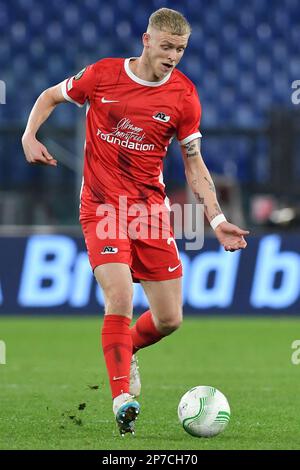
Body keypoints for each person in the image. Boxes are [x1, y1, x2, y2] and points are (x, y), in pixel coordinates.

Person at [22, 8, 249, 436]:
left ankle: (129, 350)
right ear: (146, 40)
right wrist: (29, 135)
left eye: (181, 49)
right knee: (121, 300)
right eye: (167, 47)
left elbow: (194, 165)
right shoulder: (102, 76)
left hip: (150, 213)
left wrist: (217, 219)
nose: (173, 56)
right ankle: (122, 397)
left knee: (169, 319)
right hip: (103, 208)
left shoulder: (183, 96)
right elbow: (50, 95)